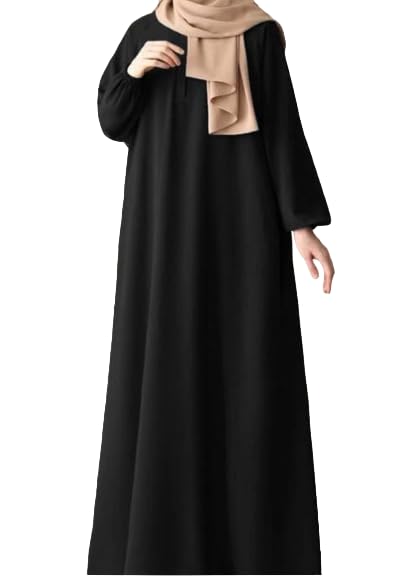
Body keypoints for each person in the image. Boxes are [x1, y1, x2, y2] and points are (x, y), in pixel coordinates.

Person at [87, 1, 335, 574]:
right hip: (162, 238)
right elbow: (111, 120)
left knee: (245, 372)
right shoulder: (145, 31)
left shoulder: (258, 36)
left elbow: (282, 127)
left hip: (243, 233)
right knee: (164, 366)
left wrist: (302, 227)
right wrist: (134, 71)